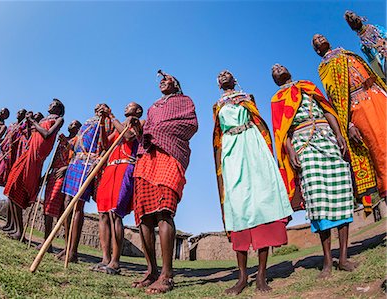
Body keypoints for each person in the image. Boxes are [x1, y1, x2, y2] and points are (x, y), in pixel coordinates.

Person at [271, 64, 357, 278]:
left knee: (340, 193)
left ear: (289, 71)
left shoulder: (308, 86)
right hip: (303, 144)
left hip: (326, 137)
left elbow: (327, 111)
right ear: (274, 79)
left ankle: (344, 257)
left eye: (281, 66)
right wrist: (290, 152)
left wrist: (338, 135)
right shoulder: (277, 99)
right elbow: (281, 132)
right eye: (274, 70)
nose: (278, 68)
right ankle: (328, 260)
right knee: (317, 200)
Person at [213, 70, 292, 295]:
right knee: (237, 207)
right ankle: (241, 277)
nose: (223, 75)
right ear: (218, 84)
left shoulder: (248, 98)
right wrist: (221, 167)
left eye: (227, 73)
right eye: (220, 75)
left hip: (253, 147)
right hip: (231, 152)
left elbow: (259, 124)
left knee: (261, 204)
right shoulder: (216, 107)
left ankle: (261, 275)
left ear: (234, 79)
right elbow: (218, 136)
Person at [132, 71, 198, 294]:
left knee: (164, 210)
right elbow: (145, 132)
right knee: (143, 215)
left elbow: (190, 125)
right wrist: (140, 129)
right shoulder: (152, 107)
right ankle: (151, 271)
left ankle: (167, 274)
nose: (162, 81)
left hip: (169, 155)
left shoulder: (184, 102)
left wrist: (157, 132)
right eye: (160, 79)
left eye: (167, 78)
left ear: (176, 84)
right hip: (146, 157)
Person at [312, 34, 387, 207]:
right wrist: (349, 124)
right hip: (358, 108)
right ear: (317, 49)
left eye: (321, 36)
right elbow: (334, 96)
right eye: (316, 40)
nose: (320, 38)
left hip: (378, 96)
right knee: (380, 152)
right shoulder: (324, 67)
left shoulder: (347, 53)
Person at [93, 102, 143, 274]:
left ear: (138, 111)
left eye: (130, 106)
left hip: (125, 168)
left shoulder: (138, 123)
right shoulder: (117, 126)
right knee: (103, 213)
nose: (126, 107)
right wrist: (102, 122)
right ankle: (105, 258)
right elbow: (105, 144)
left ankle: (115, 261)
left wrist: (111, 115)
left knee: (115, 213)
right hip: (110, 168)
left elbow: (128, 136)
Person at [4, 99, 64, 240]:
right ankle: (15, 228)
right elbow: (32, 135)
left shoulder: (59, 119)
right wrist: (29, 121)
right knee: (12, 187)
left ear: (59, 109)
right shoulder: (43, 119)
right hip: (27, 153)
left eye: (53, 104)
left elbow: (47, 134)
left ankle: (20, 232)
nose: (50, 105)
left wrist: (33, 122)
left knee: (19, 188)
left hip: (36, 158)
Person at [58, 104, 112, 262]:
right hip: (75, 162)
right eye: (97, 106)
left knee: (77, 205)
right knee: (67, 203)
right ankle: (67, 247)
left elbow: (104, 144)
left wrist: (103, 121)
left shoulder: (106, 123)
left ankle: (73, 251)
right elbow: (74, 147)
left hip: (87, 164)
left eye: (103, 107)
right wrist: (65, 142)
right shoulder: (86, 123)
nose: (98, 108)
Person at [36, 119, 81, 252]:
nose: (70, 125)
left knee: (59, 209)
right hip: (53, 174)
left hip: (66, 176)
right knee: (47, 207)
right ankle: (47, 242)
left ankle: (66, 247)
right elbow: (54, 158)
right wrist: (47, 173)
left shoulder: (77, 141)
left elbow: (78, 157)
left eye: (74, 124)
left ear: (78, 129)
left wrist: (66, 167)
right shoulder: (61, 140)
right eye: (70, 123)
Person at [0, 109, 27, 225]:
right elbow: (6, 139)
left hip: (9, 157)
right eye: (19, 112)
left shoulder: (23, 127)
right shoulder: (12, 125)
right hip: (1, 154)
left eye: (22, 112)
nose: (19, 113)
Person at [344, 10, 386, 81]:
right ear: (351, 27)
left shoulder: (376, 28)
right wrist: (383, 79)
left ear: (359, 17)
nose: (351, 17)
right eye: (349, 19)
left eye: (352, 14)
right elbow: (374, 64)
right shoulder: (363, 46)